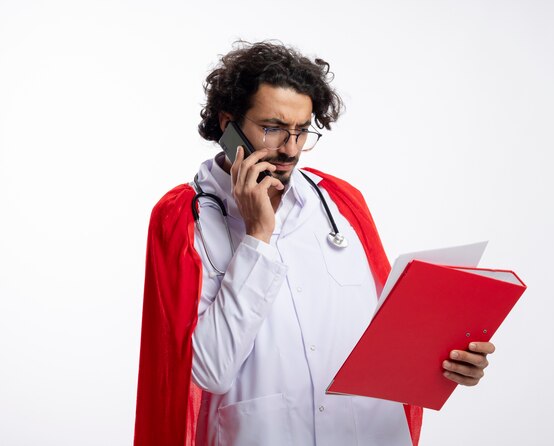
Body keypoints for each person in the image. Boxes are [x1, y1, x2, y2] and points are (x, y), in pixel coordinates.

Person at [134, 41, 495, 446]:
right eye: (272, 128)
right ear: (227, 123)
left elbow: (381, 344)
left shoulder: (341, 203)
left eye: (302, 130)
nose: (290, 148)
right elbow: (209, 371)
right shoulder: (184, 217)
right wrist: (257, 237)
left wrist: (445, 362)